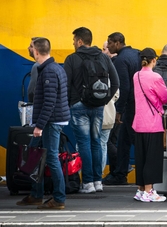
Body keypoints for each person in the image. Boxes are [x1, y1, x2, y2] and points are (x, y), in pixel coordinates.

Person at [64, 27, 119, 194]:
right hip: (98, 107)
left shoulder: (72, 59)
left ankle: (87, 183)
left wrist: (71, 103)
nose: (73, 43)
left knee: (84, 144)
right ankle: (97, 181)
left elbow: (66, 85)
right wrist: (104, 101)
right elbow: (115, 83)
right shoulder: (103, 57)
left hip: (79, 107)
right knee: (96, 143)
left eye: (74, 40)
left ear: (80, 41)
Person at [16, 38, 70, 209]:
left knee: (51, 158)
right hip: (49, 120)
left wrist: (39, 126)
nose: (29, 49)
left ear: (37, 51)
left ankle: (59, 199)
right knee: (35, 155)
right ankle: (36, 194)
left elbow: (49, 102)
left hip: (50, 121)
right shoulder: (53, 68)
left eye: (31, 47)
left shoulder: (48, 71)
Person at [132, 48, 167, 202]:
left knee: (141, 157)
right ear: (154, 60)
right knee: (152, 158)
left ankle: (140, 189)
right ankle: (149, 191)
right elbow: (165, 96)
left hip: (139, 122)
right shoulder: (155, 77)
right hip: (153, 122)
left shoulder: (136, 76)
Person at [103, 32, 141, 185]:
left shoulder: (120, 60)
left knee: (133, 140)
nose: (109, 46)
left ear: (118, 43)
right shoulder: (136, 54)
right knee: (124, 141)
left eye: (110, 43)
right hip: (140, 104)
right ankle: (120, 174)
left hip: (130, 107)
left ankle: (140, 176)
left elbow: (123, 88)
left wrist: (119, 110)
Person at [100, 42, 119, 177]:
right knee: (103, 144)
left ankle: (91, 177)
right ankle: (98, 177)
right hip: (109, 114)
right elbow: (117, 93)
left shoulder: (109, 67)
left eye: (104, 48)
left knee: (97, 144)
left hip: (98, 114)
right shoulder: (111, 70)